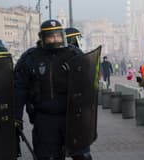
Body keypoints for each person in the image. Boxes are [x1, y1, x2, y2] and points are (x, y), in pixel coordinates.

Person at [14, 19, 93, 160]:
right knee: (48, 157)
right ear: (42, 38)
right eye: (51, 36)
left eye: (58, 35)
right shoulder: (31, 58)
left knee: (82, 155)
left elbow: (87, 84)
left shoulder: (74, 55)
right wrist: (17, 117)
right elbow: (20, 89)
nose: (55, 39)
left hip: (71, 117)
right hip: (45, 119)